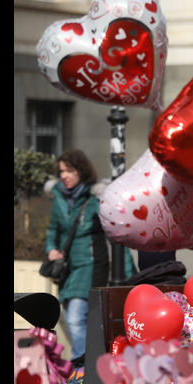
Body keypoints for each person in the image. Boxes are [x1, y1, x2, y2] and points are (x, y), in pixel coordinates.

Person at [45, 149, 136, 363]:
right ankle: (91, 362)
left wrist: (130, 274)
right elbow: (53, 230)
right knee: (72, 317)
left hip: (91, 265)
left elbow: (116, 237)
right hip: (67, 268)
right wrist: (50, 248)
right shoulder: (58, 196)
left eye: (69, 171)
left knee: (76, 316)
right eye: (61, 172)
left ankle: (83, 367)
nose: (64, 176)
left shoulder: (95, 198)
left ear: (81, 171)